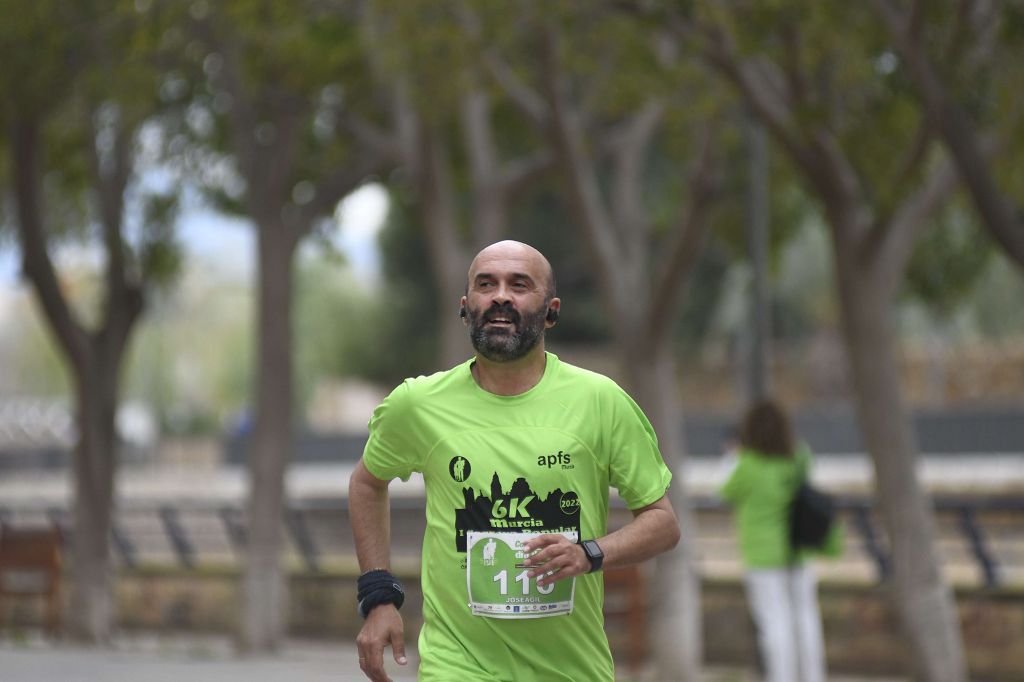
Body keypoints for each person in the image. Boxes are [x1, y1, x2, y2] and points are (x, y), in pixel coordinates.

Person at [349, 240, 681, 682]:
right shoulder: (418, 404)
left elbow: (662, 523)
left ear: (551, 310)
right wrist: (378, 596)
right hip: (457, 666)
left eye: (519, 285)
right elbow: (367, 483)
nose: (500, 295)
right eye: (486, 284)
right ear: (466, 307)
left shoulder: (601, 401)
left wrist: (590, 553)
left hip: (571, 670)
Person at [719, 399, 840, 682]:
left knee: (774, 623)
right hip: (798, 548)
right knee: (806, 619)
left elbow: (724, 491)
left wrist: (733, 456)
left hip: (762, 554)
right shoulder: (799, 455)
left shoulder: (747, 464)